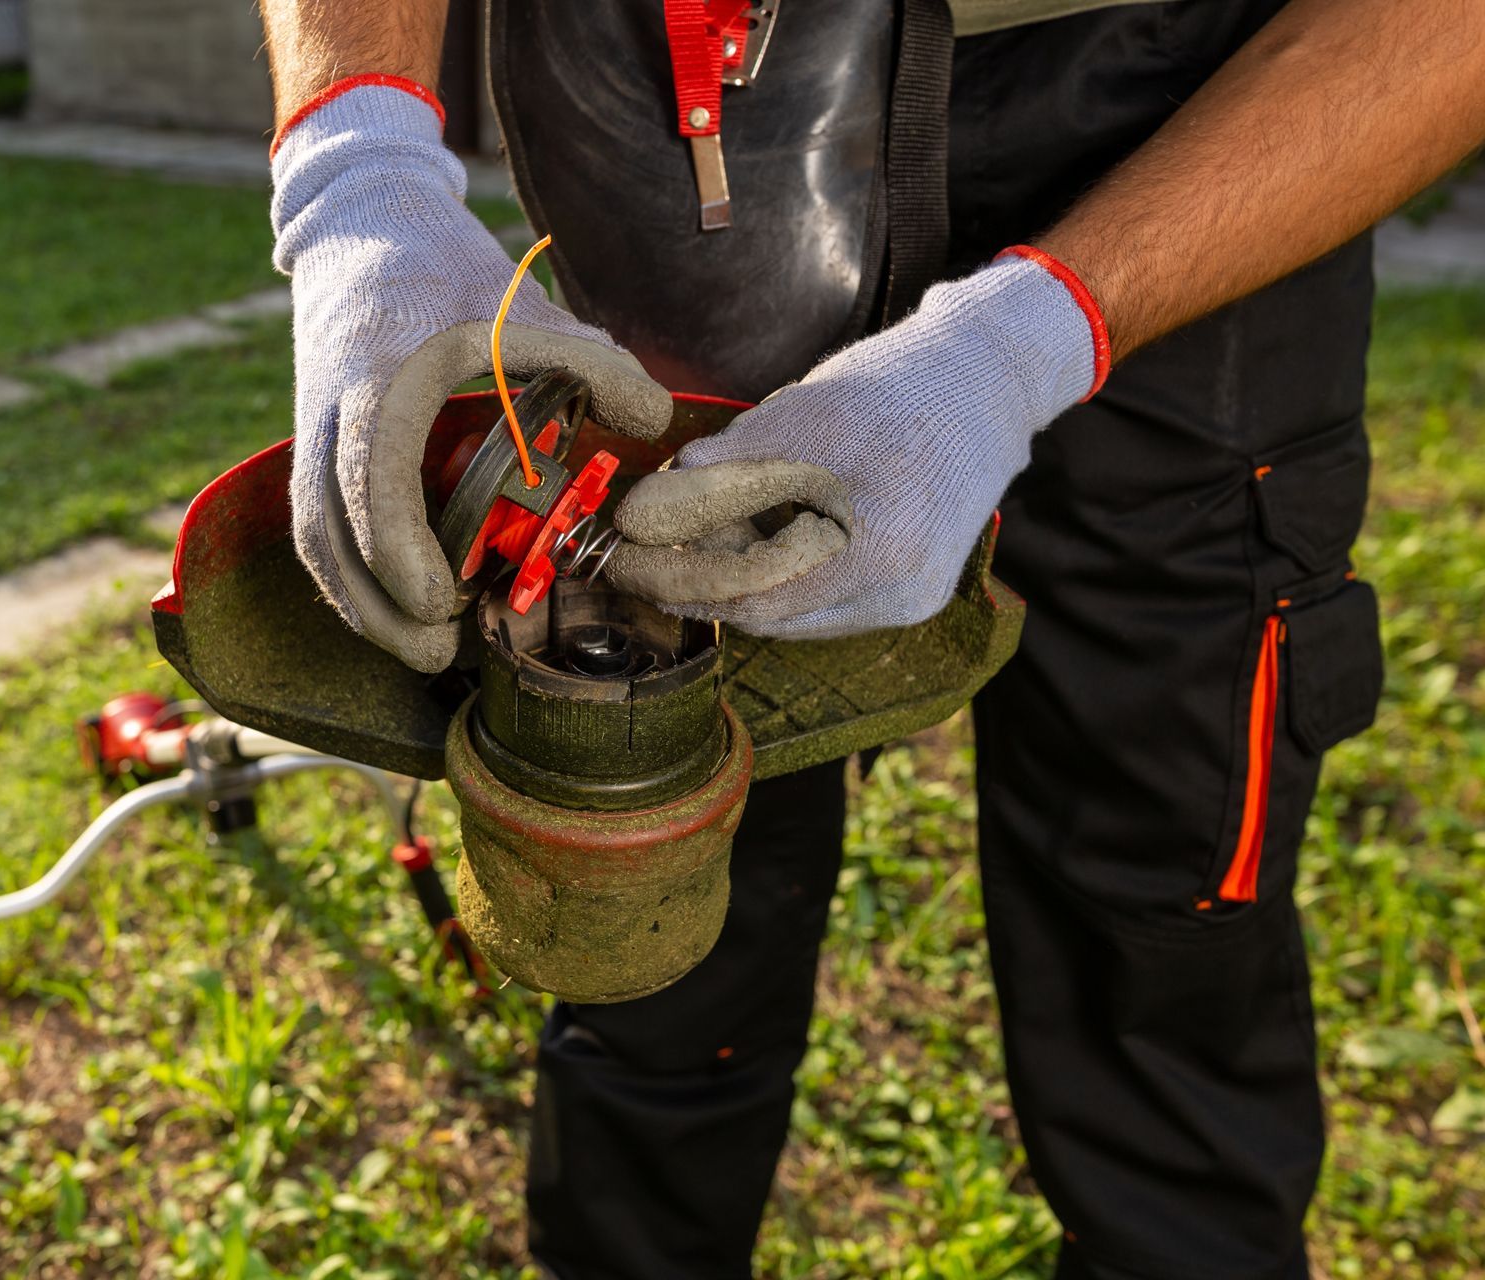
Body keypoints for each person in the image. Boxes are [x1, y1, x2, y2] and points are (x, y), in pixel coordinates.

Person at [256, 2, 1485, 1276]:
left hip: (1202, 101)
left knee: (1162, 920)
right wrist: (359, 172)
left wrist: (1022, 344)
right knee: (646, 888)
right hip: (699, 100)